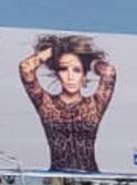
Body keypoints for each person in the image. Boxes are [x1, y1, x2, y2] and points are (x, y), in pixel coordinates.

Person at [19, 35, 116, 173]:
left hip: (90, 177)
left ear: (84, 75)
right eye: (64, 69)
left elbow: (108, 71)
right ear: (57, 74)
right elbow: (26, 67)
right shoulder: (46, 104)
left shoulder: (94, 105)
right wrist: (56, 49)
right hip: (57, 178)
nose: (70, 77)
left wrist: (88, 59)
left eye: (76, 70)